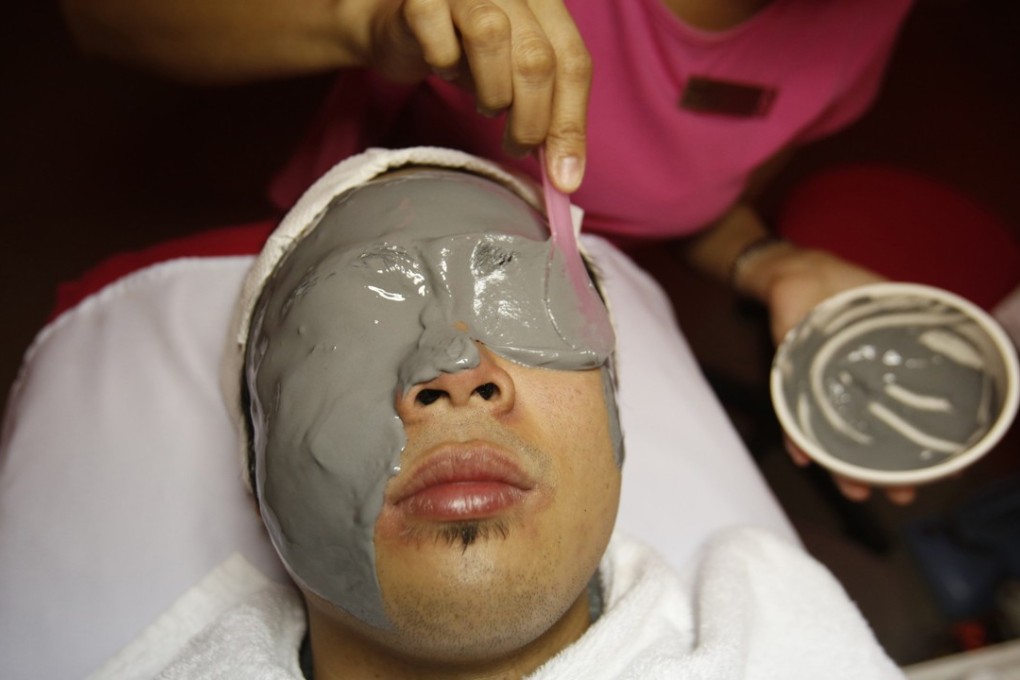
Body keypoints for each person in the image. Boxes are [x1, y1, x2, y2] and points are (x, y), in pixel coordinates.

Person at [61, 0, 915, 504]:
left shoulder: (864, 21)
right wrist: (369, 19)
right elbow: (103, 20)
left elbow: (692, 200)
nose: (463, 379)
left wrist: (766, 258)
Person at [145, 146, 908, 678]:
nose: (457, 371)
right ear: (253, 463)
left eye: (521, 301)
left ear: (613, 417)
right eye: (351, 327)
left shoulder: (775, 624)